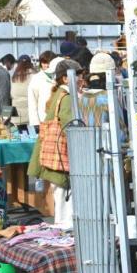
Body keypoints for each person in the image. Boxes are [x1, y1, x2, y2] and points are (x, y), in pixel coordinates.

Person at [28, 59, 82, 229]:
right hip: (62, 157)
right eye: (78, 75)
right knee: (65, 201)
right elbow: (70, 129)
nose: (82, 78)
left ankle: (62, 230)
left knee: (61, 197)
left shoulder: (58, 94)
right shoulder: (66, 98)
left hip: (54, 156)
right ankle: (65, 234)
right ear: (65, 78)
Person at [28, 51, 58, 131]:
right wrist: (35, 122)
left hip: (59, 118)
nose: (47, 65)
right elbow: (32, 101)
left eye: (49, 62)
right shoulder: (36, 78)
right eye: (44, 62)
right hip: (43, 119)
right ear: (41, 63)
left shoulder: (60, 76)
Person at [10, 55, 35, 132]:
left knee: (19, 136)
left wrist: (6, 115)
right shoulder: (35, 75)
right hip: (30, 111)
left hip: (16, 111)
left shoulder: (13, 77)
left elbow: (9, 96)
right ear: (30, 63)